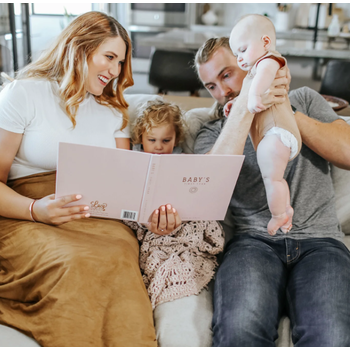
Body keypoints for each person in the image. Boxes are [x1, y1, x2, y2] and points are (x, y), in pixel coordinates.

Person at [0, 12, 157, 347]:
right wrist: (35, 209)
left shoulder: (114, 112)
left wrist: (153, 214)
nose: (115, 71)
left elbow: (126, 186)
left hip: (99, 218)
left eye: (121, 62)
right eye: (109, 57)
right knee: (75, 260)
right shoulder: (23, 94)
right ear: (79, 49)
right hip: (28, 215)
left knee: (118, 257)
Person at [193, 35, 350, 346]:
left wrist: (283, 110)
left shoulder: (304, 100)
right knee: (238, 332)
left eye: (226, 75)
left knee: (331, 337)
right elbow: (208, 188)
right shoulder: (212, 131)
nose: (222, 91)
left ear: (249, 63)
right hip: (253, 243)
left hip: (321, 243)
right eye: (211, 86)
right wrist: (244, 110)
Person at [124, 100, 224, 345]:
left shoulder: (184, 161)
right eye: (152, 140)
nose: (158, 147)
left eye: (166, 141)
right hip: (145, 226)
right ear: (140, 137)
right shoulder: (133, 160)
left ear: (176, 139)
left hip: (180, 224)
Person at [226, 14, 302, 235]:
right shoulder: (255, 70)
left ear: (266, 42)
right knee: (273, 178)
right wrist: (237, 103)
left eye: (242, 49)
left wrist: (254, 96)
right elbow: (252, 87)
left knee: (272, 178)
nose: (239, 58)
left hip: (279, 132)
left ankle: (279, 215)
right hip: (274, 136)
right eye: (236, 54)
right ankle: (285, 209)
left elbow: (263, 78)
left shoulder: (269, 61)